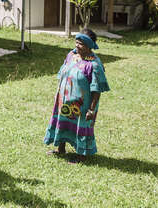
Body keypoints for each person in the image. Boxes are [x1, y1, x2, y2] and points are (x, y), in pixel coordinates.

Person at [44, 28, 110, 163]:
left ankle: (81, 156)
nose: (77, 45)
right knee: (63, 122)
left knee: (81, 126)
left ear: (89, 46)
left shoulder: (94, 64)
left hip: (83, 104)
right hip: (65, 100)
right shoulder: (71, 55)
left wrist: (91, 109)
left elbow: (96, 90)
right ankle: (61, 149)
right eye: (76, 42)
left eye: (81, 44)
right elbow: (63, 73)